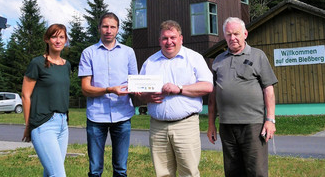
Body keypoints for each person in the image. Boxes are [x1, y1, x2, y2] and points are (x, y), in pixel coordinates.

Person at [139, 20, 213, 177]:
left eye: (173, 37)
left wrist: (179, 89)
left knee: (189, 173)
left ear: (181, 38)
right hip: (157, 127)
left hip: (185, 125)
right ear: (159, 41)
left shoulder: (194, 58)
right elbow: (138, 92)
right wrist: (147, 96)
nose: (169, 42)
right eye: (165, 38)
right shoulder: (150, 62)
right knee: (163, 173)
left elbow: (207, 86)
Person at [207, 17, 278, 177]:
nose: (232, 38)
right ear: (224, 36)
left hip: (253, 125)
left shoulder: (258, 56)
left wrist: (270, 119)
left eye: (236, 33)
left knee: (256, 171)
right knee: (232, 171)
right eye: (228, 34)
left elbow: (269, 89)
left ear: (245, 34)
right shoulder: (218, 60)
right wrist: (211, 123)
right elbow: (213, 96)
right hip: (226, 125)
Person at [78, 12, 138, 177]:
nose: (108, 30)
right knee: (95, 170)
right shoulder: (88, 53)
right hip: (96, 117)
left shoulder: (128, 52)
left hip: (123, 115)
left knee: (120, 169)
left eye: (112, 27)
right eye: (105, 26)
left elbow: (135, 82)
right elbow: (85, 88)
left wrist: (142, 89)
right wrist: (109, 90)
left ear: (118, 29)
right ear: (99, 28)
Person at [22, 24, 71, 177]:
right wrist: (28, 125)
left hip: (63, 124)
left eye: (61, 37)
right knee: (58, 175)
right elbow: (25, 95)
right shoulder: (37, 63)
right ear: (47, 40)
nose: (58, 40)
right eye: (54, 36)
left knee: (51, 172)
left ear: (66, 40)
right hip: (44, 124)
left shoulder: (66, 65)